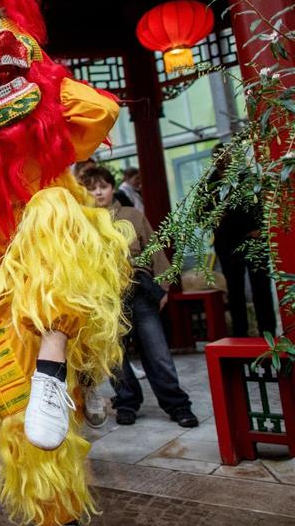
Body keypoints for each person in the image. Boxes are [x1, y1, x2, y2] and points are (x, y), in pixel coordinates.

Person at [80, 166, 198, 428]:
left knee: (157, 352)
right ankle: (127, 402)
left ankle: (178, 404)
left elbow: (155, 250)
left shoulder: (133, 215)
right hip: (105, 295)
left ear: (112, 188)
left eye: (103, 186)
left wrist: (164, 287)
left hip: (139, 289)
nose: (98, 192)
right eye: (92, 188)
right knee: (114, 355)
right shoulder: (83, 221)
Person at [208, 145, 277, 337]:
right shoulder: (209, 184)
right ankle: (240, 334)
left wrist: (260, 228)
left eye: (226, 155)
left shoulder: (246, 177)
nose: (223, 159)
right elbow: (200, 215)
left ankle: (268, 332)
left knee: (261, 287)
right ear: (213, 160)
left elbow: (261, 204)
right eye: (218, 156)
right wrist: (213, 217)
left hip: (252, 238)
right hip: (227, 243)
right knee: (234, 290)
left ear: (233, 157)